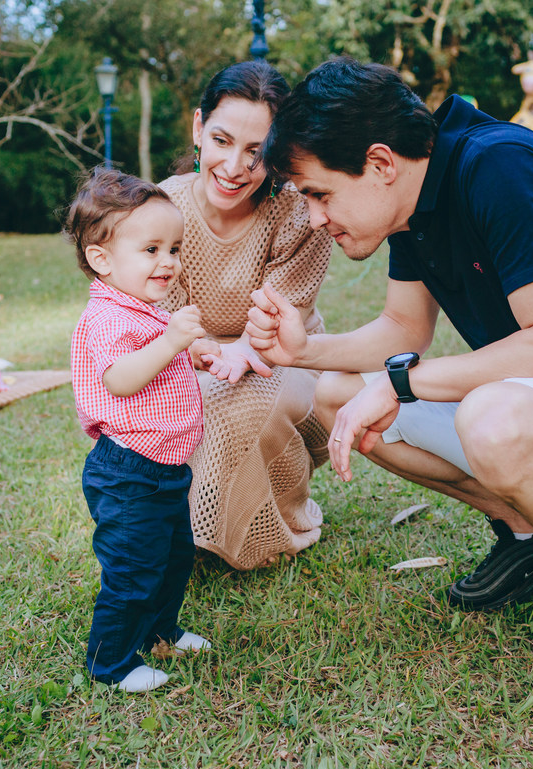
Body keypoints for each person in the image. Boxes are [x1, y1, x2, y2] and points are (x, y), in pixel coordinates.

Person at [246, 58, 533, 691]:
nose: (313, 218)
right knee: (338, 396)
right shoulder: (413, 199)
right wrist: (299, 351)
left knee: (489, 418)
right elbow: (402, 332)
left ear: (381, 163)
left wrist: (402, 383)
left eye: (318, 194)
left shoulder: (499, 167)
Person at [156, 61, 334, 570]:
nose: (234, 166)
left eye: (257, 153)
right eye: (221, 140)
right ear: (198, 128)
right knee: (170, 402)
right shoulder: (161, 208)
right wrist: (201, 352)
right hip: (186, 357)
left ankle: (272, 528)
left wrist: (237, 351)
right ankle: (174, 530)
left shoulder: (298, 213)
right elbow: (155, 319)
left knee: (240, 401)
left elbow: (280, 319)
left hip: (286, 358)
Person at [65, 167, 213, 693]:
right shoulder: (107, 318)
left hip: (166, 468)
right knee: (132, 572)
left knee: (173, 559)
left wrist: (195, 354)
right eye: (150, 249)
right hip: (128, 471)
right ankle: (111, 665)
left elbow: (157, 370)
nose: (168, 262)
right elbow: (121, 379)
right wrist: (173, 342)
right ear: (101, 259)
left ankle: (160, 632)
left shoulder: (143, 309)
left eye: (173, 248)